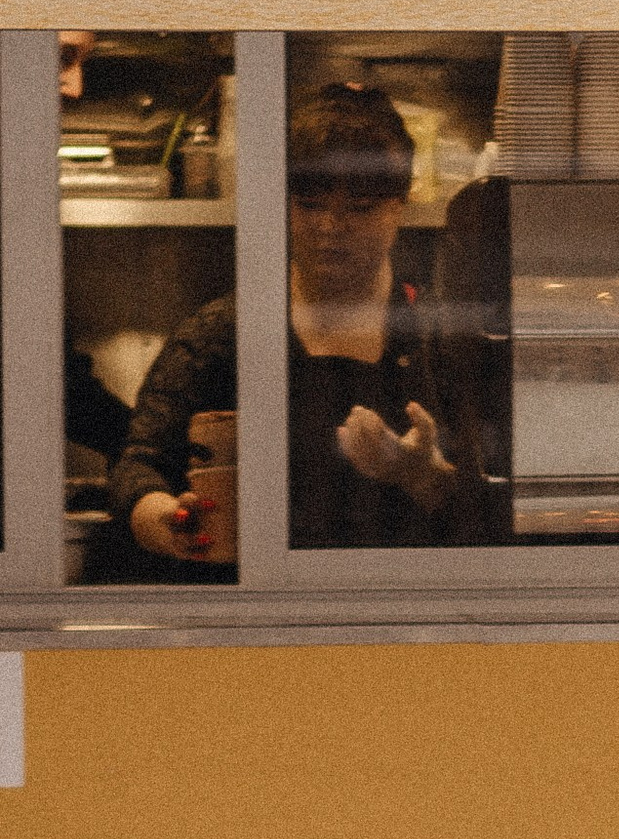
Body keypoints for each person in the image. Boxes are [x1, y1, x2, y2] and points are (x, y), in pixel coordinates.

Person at [112, 82, 488, 565]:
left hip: (402, 599)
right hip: (257, 604)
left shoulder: (441, 338)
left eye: (359, 209)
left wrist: (420, 475)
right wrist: (164, 520)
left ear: (399, 208)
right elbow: (138, 467)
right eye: (309, 205)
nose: (330, 227)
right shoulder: (223, 332)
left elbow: (493, 511)